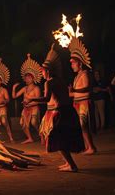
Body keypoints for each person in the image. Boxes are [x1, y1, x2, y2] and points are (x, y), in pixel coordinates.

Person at [28, 44, 84, 172]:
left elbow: (47, 99)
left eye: (42, 70)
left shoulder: (49, 82)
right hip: (69, 111)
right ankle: (68, 163)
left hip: (61, 113)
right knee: (62, 138)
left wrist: (32, 99)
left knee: (58, 139)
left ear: (47, 70)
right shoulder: (60, 80)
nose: (41, 73)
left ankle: (72, 165)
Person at [68, 37, 96, 155]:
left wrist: (73, 90)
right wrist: (70, 93)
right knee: (80, 126)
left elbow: (86, 87)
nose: (72, 65)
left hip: (84, 103)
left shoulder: (85, 74)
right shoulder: (76, 76)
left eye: (73, 63)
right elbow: (76, 91)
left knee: (83, 125)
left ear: (79, 63)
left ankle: (91, 147)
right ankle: (88, 147)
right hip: (77, 103)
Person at [12, 54, 42, 144]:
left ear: (33, 78)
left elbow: (38, 100)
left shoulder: (36, 88)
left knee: (33, 122)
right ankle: (30, 138)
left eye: (29, 77)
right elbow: (14, 96)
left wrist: (29, 99)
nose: (27, 79)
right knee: (23, 124)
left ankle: (42, 135)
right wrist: (13, 88)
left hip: (34, 108)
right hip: (26, 108)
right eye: (26, 78)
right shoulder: (24, 88)